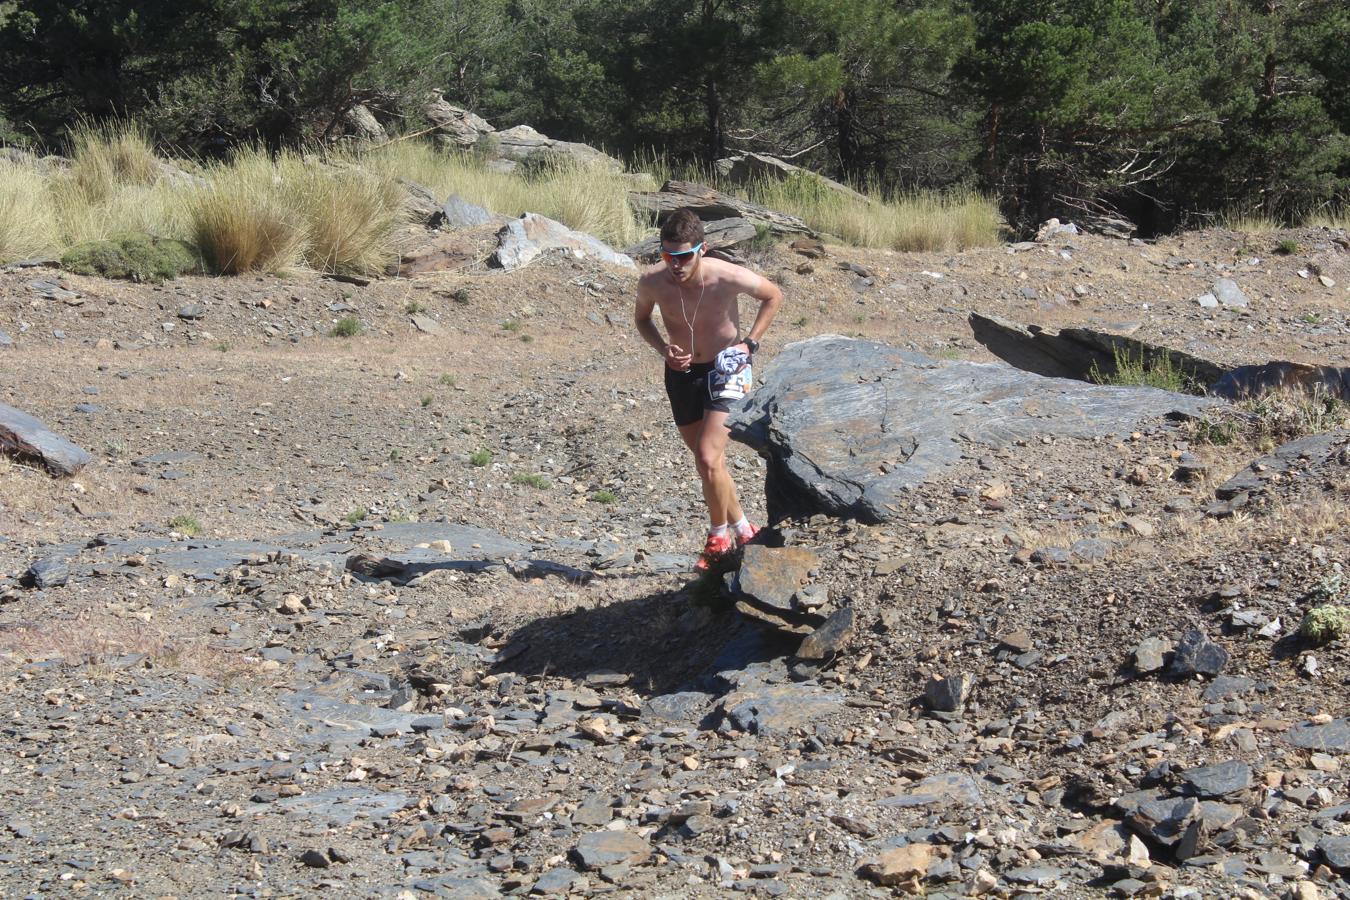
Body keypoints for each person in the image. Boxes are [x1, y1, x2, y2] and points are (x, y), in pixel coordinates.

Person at [634, 208, 784, 570]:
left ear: (702, 249)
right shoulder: (652, 282)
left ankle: (718, 538)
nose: (675, 264)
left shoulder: (727, 276)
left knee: (706, 456)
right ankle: (745, 529)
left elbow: (773, 296)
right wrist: (663, 349)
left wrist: (750, 343)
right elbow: (641, 319)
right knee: (710, 464)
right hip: (682, 373)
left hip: (727, 370)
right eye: (668, 255)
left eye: (683, 256)